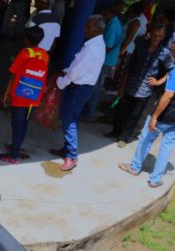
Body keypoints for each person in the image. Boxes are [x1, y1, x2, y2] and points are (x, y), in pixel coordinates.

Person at [119, 36, 175, 188]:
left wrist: (155, 116)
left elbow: (168, 95)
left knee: (146, 139)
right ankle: (155, 180)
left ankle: (135, 168)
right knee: (167, 147)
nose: (174, 53)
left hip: (165, 114)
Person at [51, 15, 106, 171]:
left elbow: (77, 71)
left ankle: (72, 156)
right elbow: (77, 66)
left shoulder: (93, 47)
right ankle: (66, 148)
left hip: (79, 87)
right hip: (80, 86)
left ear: (98, 29)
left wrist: (61, 82)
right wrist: (66, 72)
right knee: (70, 118)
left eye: (88, 27)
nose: (85, 30)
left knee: (69, 121)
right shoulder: (94, 43)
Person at [105, 24, 173, 146]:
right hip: (131, 85)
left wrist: (159, 81)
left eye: (159, 36)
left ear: (163, 37)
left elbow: (171, 70)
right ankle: (115, 132)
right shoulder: (140, 46)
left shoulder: (165, 52)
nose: (156, 38)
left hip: (145, 90)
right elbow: (129, 67)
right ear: (150, 33)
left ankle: (124, 138)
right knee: (121, 110)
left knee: (134, 115)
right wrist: (122, 86)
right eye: (155, 35)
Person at [0, 26, 48, 164]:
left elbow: (13, 75)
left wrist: (7, 93)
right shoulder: (45, 54)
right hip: (33, 97)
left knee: (17, 124)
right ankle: (16, 146)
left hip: (20, 96)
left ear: (26, 39)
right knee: (24, 123)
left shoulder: (25, 53)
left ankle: (14, 156)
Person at [81, 2, 123, 120]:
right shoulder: (113, 23)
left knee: (95, 87)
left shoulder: (113, 26)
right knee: (96, 85)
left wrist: (94, 57)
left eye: (104, 14)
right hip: (106, 59)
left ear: (109, 12)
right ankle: (88, 111)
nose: (103, 16)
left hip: (105, 61)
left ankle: (88, 112)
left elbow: (108, 46)